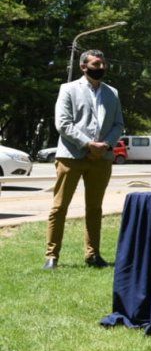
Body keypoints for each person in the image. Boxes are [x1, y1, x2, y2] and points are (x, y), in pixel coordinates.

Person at [45, 49, 125, 270]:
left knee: (95, 208)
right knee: (59, 207)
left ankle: (93, 255)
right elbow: (63, 123)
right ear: (83, 66)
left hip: (102, 159)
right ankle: (52, 256)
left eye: (103, 64)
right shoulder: (68, 89)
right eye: (96, 64)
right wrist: (88, 144)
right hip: (71, 156)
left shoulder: (112, 93)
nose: (101, 68)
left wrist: (106, 145)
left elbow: (118, 124)